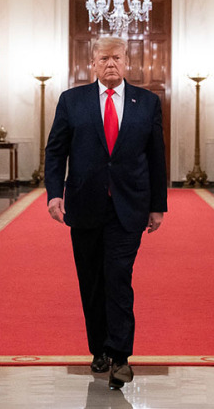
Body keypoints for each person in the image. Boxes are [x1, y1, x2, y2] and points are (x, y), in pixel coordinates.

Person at [44, 35, 167, 390]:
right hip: (84, 205)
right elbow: (56, 152)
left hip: (129, 207)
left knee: (118, 276)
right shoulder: (72, 101)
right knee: (91, 281)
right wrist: (55, 194)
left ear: (127, 61)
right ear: (92, 63)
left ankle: (121, 356)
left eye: (116, 57)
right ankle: (98, 347)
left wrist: (158, 205)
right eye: (103, 58)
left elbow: (156, 157)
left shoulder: (146, 102)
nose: (110, 64)